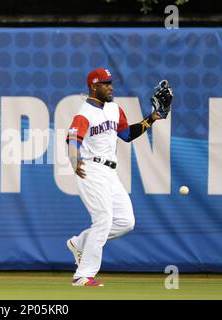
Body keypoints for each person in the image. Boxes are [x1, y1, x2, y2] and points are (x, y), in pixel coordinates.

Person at [66, 68, 172, 287]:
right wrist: (74, 162)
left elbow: (127, 135)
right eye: (105, 83)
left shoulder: (115, 109)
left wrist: (151, 118)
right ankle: (83, 275)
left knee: (125, 221)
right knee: (103, 219)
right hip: (90, 170)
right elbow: (73, 139)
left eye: (110, 82)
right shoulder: (84, 113)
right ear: (94, 87)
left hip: (110, 173)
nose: (110, 86)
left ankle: (79, 243)